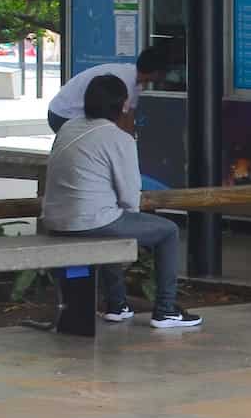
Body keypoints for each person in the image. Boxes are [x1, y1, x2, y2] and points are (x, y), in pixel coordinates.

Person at [43, 74, 201, 329]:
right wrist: (132, 221)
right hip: (91, 221)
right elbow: (129, 196)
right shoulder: (119, 138)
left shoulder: (68, 127)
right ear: (123, 105)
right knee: (168, 232)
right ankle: (166, 310)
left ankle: (117, 305)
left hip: (56, 220)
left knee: (110, 221)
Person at [47, 45, 172, 134]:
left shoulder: (136, 83)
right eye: (164, 72)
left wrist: (130, 143)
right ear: (156, 72)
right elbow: (118, 121)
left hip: (77, 114)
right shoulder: (123, 80)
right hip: (63, 114)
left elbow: (129, 116)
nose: (165, 76)